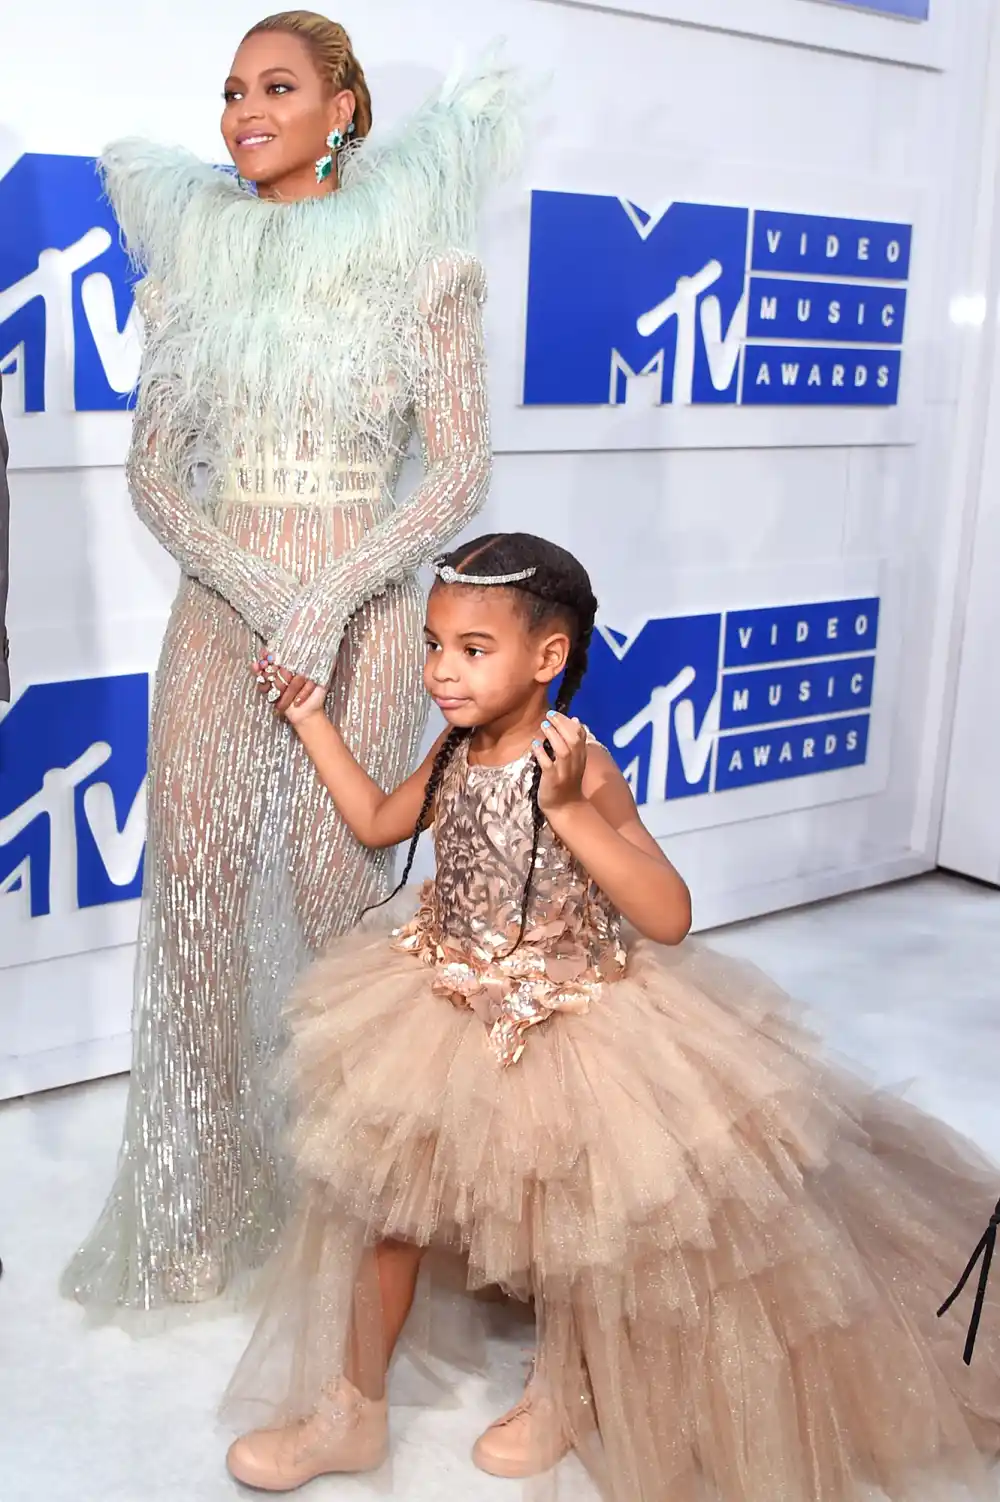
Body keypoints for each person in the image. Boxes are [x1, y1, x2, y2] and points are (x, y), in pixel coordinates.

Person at [222, 531, 1000, 1500]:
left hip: (568, 1013)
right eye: (434, 643)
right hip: (446, 999)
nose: (441, 670)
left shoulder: (577, 762)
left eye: (472, 648)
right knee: (387, 1202)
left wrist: (573, 814)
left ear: (547, 658)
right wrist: (311, 719)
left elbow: (667, 913)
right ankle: (352, 1406)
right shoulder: (455, 746)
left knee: (572, 1218)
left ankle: (567, 1382)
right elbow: (383, 821)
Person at [61, 12, 519, 1312]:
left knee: (339, 910)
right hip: (217, 616)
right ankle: (208, 1193)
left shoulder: (421, 264)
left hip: (366, 620)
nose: (242, 112)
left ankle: (353, 1209)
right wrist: (260, 586)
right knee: (198, 904)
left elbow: (460, 467)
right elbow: (154, 473)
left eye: (276, 87)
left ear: (344, 108)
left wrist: (329, 594)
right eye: (229, 91)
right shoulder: (194, 263)